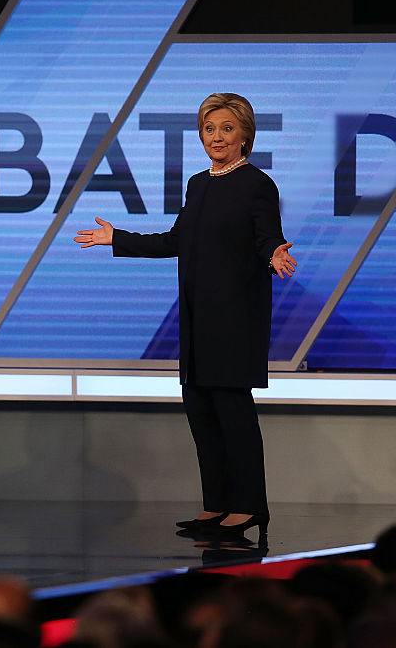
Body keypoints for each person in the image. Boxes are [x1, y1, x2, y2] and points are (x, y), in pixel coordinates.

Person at [74, 93, 296, 539]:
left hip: (235, 320)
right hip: (198, 319)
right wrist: (116, 238)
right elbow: (175, 240)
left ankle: (249, 506)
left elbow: (267, 236)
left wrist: (274, 251)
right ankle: (216, 505)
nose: (217, 137)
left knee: (234, 417)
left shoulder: (257, 184)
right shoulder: (198, 184)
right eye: (210, 129)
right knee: (202, 413)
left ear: (245, 135)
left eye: (227, 129)